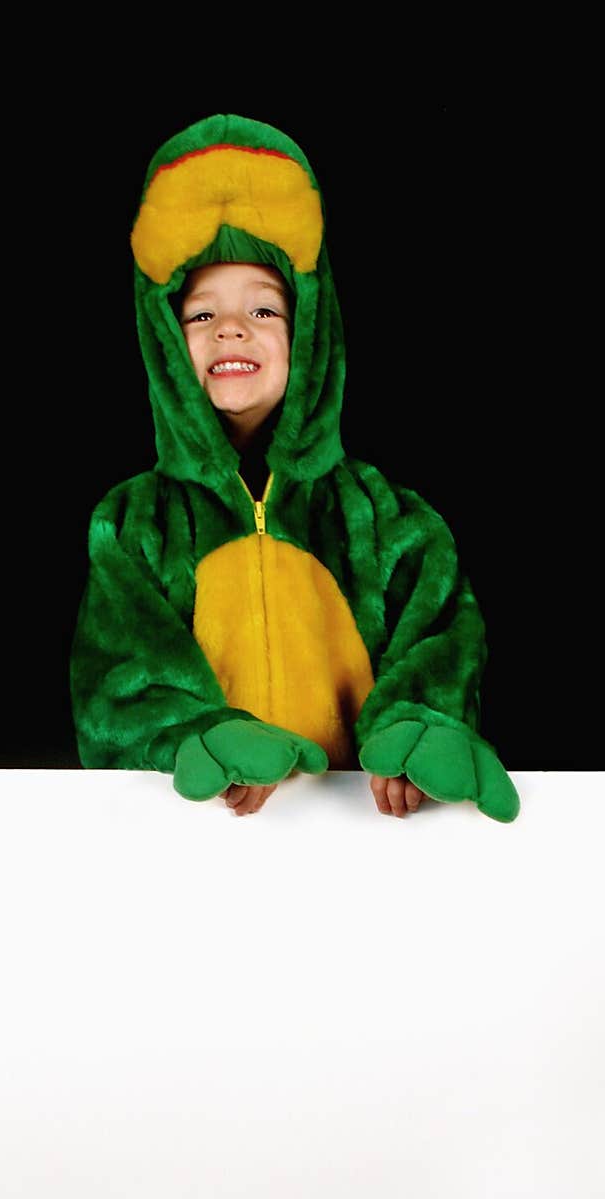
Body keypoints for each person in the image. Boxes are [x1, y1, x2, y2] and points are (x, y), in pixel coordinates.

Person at [70, 114, 520, 824]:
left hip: (359, 842)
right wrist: (202, 739)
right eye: (200, 314)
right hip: (204, 840)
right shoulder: (131, 527)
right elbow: (119, 684)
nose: (231, 328)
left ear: (310, 329)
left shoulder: (388, 519)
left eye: (263, 308)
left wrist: (412, 731)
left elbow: (441, 639)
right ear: (163, 339)